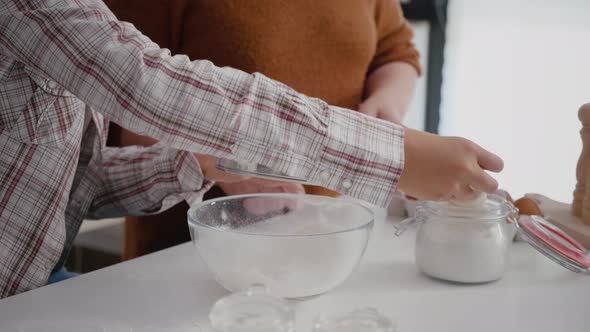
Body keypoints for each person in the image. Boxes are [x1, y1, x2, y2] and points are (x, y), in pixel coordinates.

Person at [0, 0, 502, 298]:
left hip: (43, 286)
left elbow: (70, 187)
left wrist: (196, 164)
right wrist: (393, 155)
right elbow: (151, 84)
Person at [106, 0, 423, 256]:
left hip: (326, 235)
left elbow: (395, 51)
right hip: (193, 253)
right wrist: (220, 161)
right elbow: (113, 104)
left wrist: (386, 103)